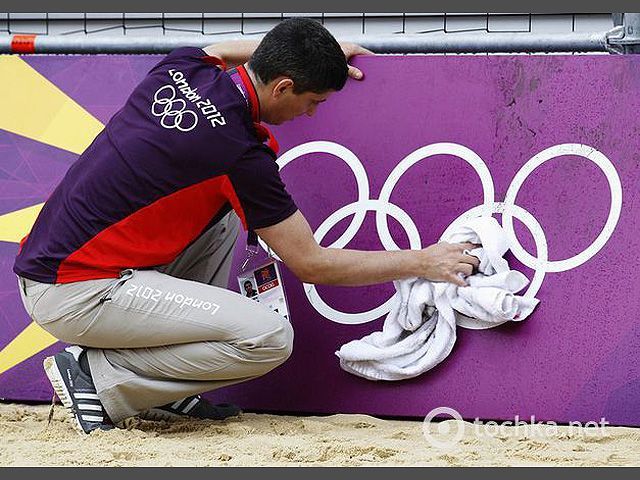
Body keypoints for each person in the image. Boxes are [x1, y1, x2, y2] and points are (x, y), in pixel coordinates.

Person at [13, 18, 479, 434]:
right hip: (78, 293)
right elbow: (312, 263)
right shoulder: (238, 153)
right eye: (312, 100)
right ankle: (98, 379)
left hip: (49, 265)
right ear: (282, 87)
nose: (312, 113)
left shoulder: (180, 69)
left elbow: (220, 49)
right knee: (269, 338)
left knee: (217, 219)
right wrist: (424, 260)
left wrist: (314, 50)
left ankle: (168, 391)